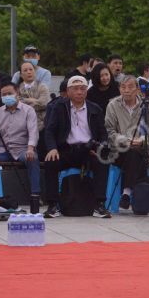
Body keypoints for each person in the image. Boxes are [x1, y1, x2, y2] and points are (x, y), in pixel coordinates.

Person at [43, 75, 111, 219]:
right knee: (50, 162)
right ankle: (53, 205)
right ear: (68, 91)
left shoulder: (95, 108)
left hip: (88, 149)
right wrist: (52, 148)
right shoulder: (58, 107)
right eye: (75, 89)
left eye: (82, 89)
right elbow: (49, 130)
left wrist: (100, 148)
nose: (79, 92)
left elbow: (103, 134)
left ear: (87, 90)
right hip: (66, 150)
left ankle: (99, 205)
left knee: (102, 162)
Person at [105, 75, 149, 209]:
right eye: (123, 87)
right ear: (119, 89)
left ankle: (127, 192)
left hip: (141, 147)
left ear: (137, 90)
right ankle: (129, 192)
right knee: (132, 153)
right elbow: (109, 131)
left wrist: (142, 140)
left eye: (130, 87)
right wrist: (127, 140)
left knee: (135, 153)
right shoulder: (113, 105)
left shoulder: (146, 105)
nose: (126, 90)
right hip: (119, 149)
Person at [0, 82, 41, 206]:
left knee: (33, 159)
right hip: (4, 150)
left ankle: (35, 196)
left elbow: (33, 131)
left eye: (9, 93)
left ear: (17, 94)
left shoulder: (28, 110)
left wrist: (30, 148)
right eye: (4, 94)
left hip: (23, 149)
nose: (7, 96)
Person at [17, 61, 51, 141]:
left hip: (41, 125)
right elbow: (17, 106)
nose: (29, 72)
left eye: (31, 69)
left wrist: (24, 100)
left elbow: (44, 104)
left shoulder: (42, 86)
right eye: (25, 70)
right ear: (21, 75)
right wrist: (33, 100)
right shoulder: (17, 89)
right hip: (23, 127)